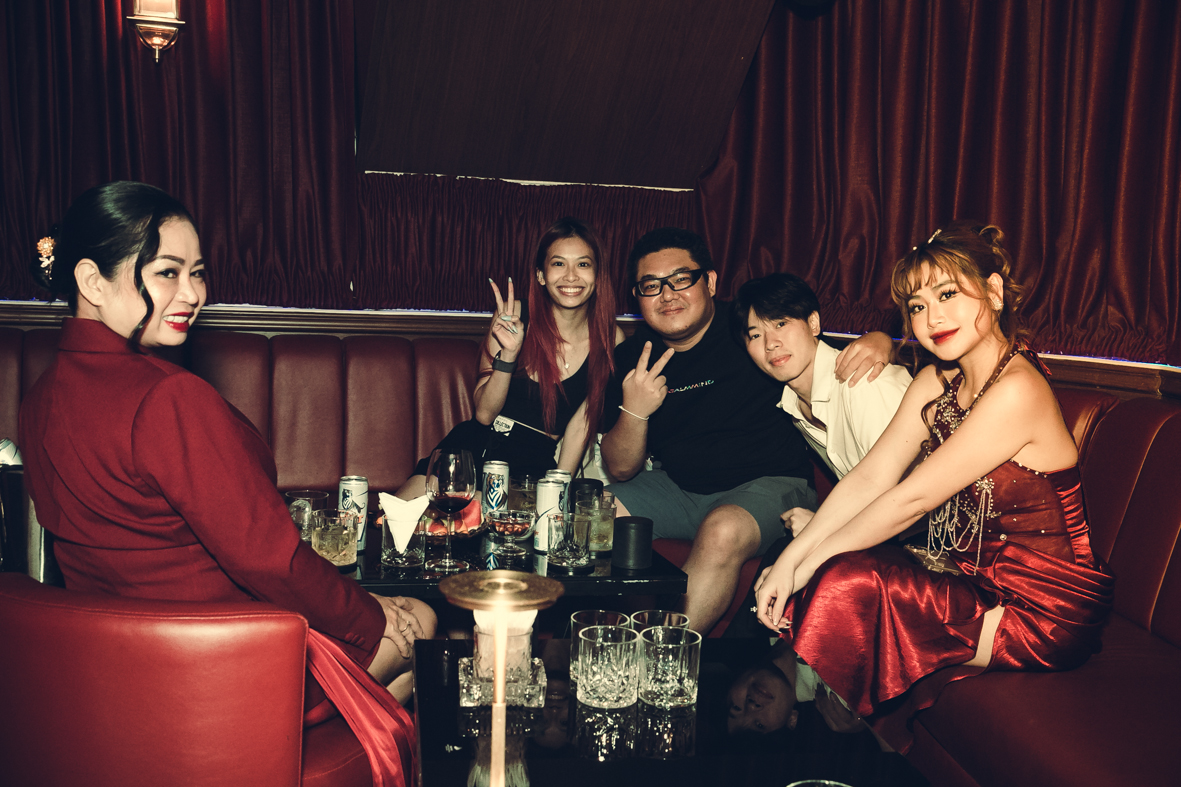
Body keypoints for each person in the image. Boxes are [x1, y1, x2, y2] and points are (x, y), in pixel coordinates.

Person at [18, 181, 434, 785]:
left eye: (198, 272)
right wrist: (373, 615)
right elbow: (271, 560)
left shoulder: (37, 400)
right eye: (167, 273)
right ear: (92, 281)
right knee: (421, 621)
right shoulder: (167, 397)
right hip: (218, 672)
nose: (192, 294)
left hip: (112, 676)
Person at [753, 222, 1115, 748]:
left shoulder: (1018, 389)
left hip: (1041, 609)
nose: (932, 318)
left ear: (994, 292)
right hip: (972, 578)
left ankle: (846, 745)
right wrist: (791, 559)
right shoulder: (935, 381)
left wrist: (804, 566)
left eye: (947, 295)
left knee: (844, 581)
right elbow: (872, 476)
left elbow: (912, 498)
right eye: (917, 306)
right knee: (840, 574)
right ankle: (840, 736)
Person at [601, 227, 893, 635]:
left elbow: (817, 349)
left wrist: (881, 341)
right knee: (593, 509)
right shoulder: (633, 356)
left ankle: (662, 656)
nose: (667, 295)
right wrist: (635, 410)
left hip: (769, 485)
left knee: (722, 529)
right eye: (651, 286)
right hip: (679, 488)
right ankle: (609, 635)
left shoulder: (748, 328)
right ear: (638, 296)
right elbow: (620, 468)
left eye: (681, 279)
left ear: (710, 282)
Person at [397, 217, 621, 499]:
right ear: (541, 275)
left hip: (531, 466)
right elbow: (483, 414)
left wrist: (559, 489)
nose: (571, 276)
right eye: (558, 263)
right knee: (395, 517)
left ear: (598, 275)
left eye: (583, 264)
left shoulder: (611, 339)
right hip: (472, 447)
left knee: (487, 522)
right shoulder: (512, 314)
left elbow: (581, 424)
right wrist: (509, 355)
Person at [732, 272, 912, 536]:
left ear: (813, 323)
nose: (771, 344)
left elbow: (908, 498)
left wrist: (822, 528)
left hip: (932, 537)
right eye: (756, 335)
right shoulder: (792, 404)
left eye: (781, 323)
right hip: (881, 531)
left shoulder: (864, 382)